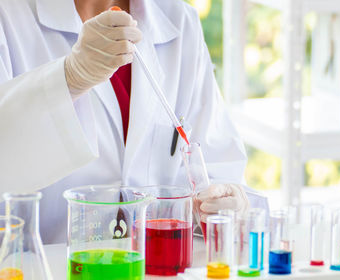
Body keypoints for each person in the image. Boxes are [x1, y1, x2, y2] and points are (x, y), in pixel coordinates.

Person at [0, 0, 267, 243]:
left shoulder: (179, 21)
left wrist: (225, 205)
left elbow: (217, 168)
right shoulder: (8, 17)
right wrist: (67, 80)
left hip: (157, 265)